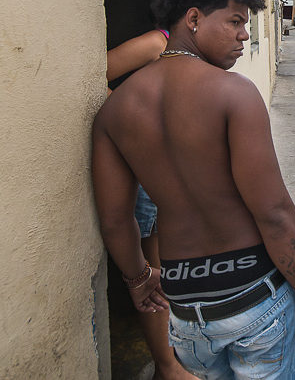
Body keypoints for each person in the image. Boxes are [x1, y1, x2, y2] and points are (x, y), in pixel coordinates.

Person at [93, 0, 295, 379]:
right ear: (195, 18)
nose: (244, 35)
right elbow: (274, 212)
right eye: (236, 21)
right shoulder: (233, 94)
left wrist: (138, 279)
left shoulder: (114, 112)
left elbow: (115, 220)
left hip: (185, 311)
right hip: (253, 296)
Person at [106, 28, 196, 380]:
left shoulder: (196, 55)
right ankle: (167, 367)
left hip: (174, 174)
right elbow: (90, 77)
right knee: (150, 274)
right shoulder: (157, 43)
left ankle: (173, 360)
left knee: (169, 273)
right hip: (148, 174)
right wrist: (134, 120)